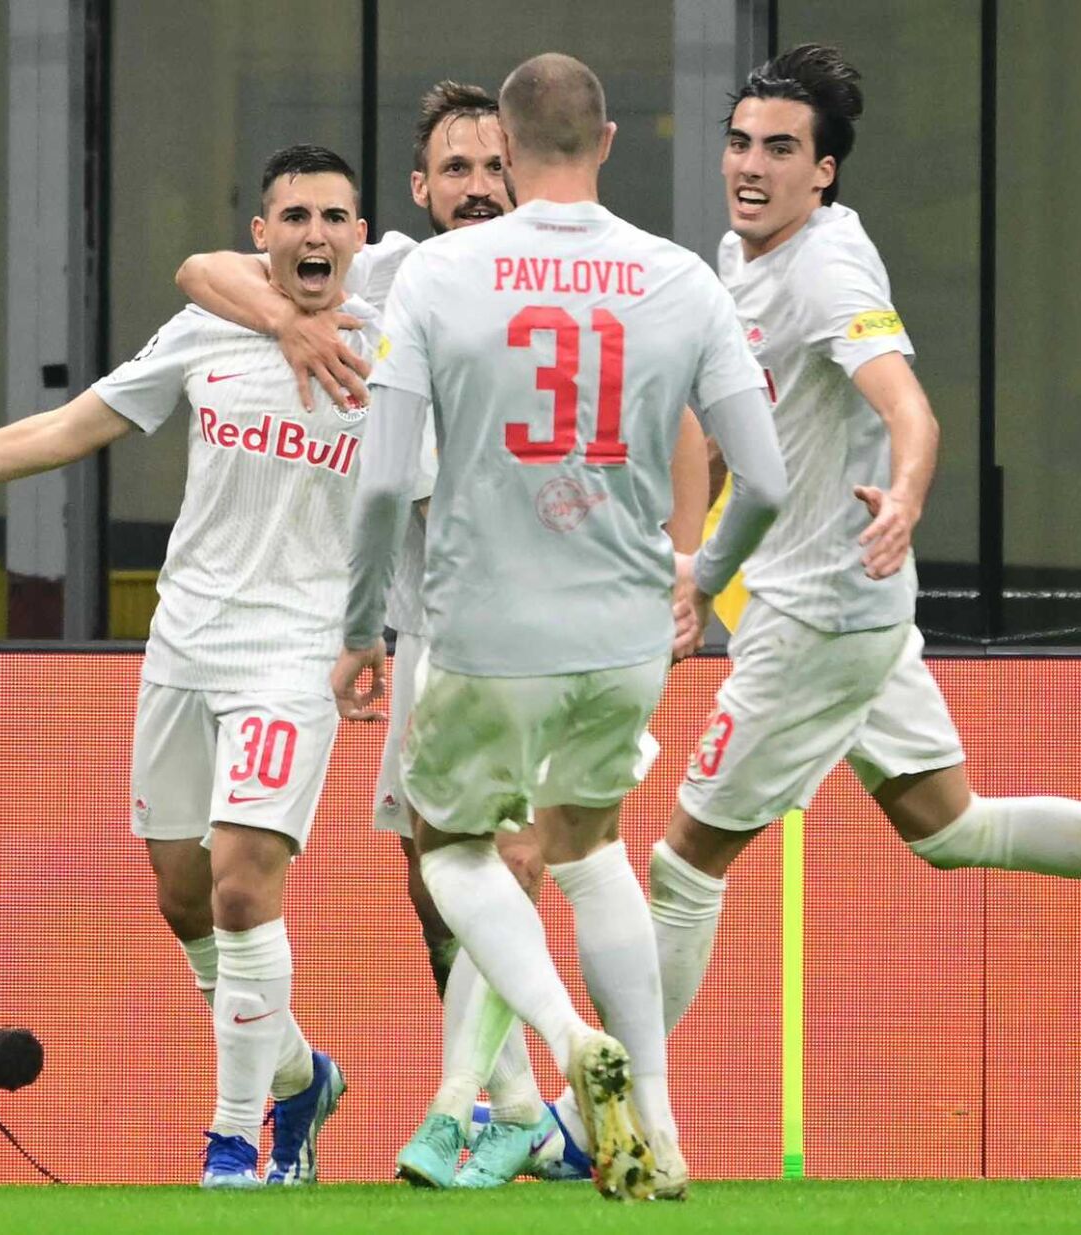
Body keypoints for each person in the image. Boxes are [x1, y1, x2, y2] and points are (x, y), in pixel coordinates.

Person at [596, 45, 1081, 1157]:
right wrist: (701, 562)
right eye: (739, 141)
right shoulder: (741, 255)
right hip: (846, 605)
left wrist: (902, 493)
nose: (750, 165)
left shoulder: (828, 273)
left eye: (781, 150)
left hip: (818, 615)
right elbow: (746, 443)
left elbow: (910, 408)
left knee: (683, 863)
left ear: (826, 172)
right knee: (950, 826)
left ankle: (604, 1120)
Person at [0, 144, 384, 1189]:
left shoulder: (393, 341)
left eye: (333, 217)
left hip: (296, 652)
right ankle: (299, 1073)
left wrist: (382, 628)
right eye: (292, 215)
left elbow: (427, 501)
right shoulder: (208, 327)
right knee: (184, 896)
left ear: (360, 236)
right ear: (263, 234)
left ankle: (232, 1142)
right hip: (185, 643)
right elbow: (72, 427)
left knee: (248, 888)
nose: (312, 234)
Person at [176, 81, 707, 1190]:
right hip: (432, 622)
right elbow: (206, 270)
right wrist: (289, 316)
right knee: (443, 877)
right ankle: (538, 1106)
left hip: (534, 616)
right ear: (416, 194)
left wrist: (687, 558)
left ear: (524, 168)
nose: (474, 186)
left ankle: (498, 1101)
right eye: (451, 171)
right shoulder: (402, 271)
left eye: (489, 166)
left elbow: (691, 417)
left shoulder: (576, 279)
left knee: (522, 855)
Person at [331, 53, 786, 1203]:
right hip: (626, 632)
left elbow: (384, 485)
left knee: (452, 848)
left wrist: (362, 628)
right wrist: (700, 577)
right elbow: (768, 479)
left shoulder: (438, 277)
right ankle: (665, 1131)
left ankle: (566, 1039)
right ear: (609, 140)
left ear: (515, 146)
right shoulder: (681, 278)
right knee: (585, 848)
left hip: (483, 631)